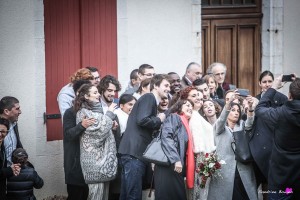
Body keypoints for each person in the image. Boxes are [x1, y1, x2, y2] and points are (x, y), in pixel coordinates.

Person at [118, 74, 170, 200]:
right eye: (166, 85)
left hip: (132, 154)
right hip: (134, 154)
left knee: (127, 195)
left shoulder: (151, 101)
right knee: (133, 195)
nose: (168, 89)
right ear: (156, 86)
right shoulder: (149, 97)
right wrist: (159, 119)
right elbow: (142, 120)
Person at [255, 75, 300, 199]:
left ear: (289, 95)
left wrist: (273, 88)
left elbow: (259, 108)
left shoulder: (281, 113)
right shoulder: (282, 112)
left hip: (281, 177)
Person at [208, 93, 258, 200]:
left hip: (243, 169)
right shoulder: (220, 127)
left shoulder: (242, 126)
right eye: (233, 110)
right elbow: (221, 120)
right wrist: (228, 104)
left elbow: (250, 123)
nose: (236, 113)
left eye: (238, 111)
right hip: (225, 172)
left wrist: (250, 108)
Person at [74, 83, 118, 200]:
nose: (98, 94)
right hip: (94, 163)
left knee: (104, 196)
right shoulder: (83, 113)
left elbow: (103, 127)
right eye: (95, 93)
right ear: (86, 96)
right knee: (96, 196)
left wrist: (111, 126)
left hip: (104, 161)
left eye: (98, 92)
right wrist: (109, 114)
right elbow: (96, 134)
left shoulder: (97, 111)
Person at [249, 71, 288, 196]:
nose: (267, 84)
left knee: (273, 185)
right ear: (259, 83)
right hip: (258, 147)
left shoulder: (282, 99)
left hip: (275, 147)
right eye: (264, 82)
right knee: (256, 184)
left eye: (270, 81)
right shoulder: (255, 99)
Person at [180, 87, 216, 200]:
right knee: (200, 193)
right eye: (194, 96)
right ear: (186, 99)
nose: (198, 98)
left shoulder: (197, 115)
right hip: (201, 159)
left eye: (199, 97)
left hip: (206, 158)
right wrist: (205, 162)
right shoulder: (193, 117)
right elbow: (197, 143)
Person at [154, 99, 194, 200]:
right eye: (187, 105)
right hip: (168, 165)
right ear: (179, 107)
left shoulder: (185, 123)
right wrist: (176, 159)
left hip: (175, 167)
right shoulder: (174, 117)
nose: (190, 108)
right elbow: (166, 137)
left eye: (191, 106)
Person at [63, 79, 91, 200]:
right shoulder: (70, 112)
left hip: (89, 165)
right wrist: (81, 126)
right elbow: (68, 134)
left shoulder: (93, 112)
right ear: (82, 94)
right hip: (75, 164)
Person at [0, 118, 20, 200]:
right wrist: (9, 170)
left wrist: (13, 170)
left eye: (3, 132)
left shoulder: (2, 147)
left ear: (7, 133)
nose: (0, 134)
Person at [0, 96, 23, 167]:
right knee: (32, 175)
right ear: (6, 111)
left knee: (32, 170)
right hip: (4, 172)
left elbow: (18, 146)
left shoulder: (14, 124)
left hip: (15, 167)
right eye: (17, 109)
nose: (20, 112)